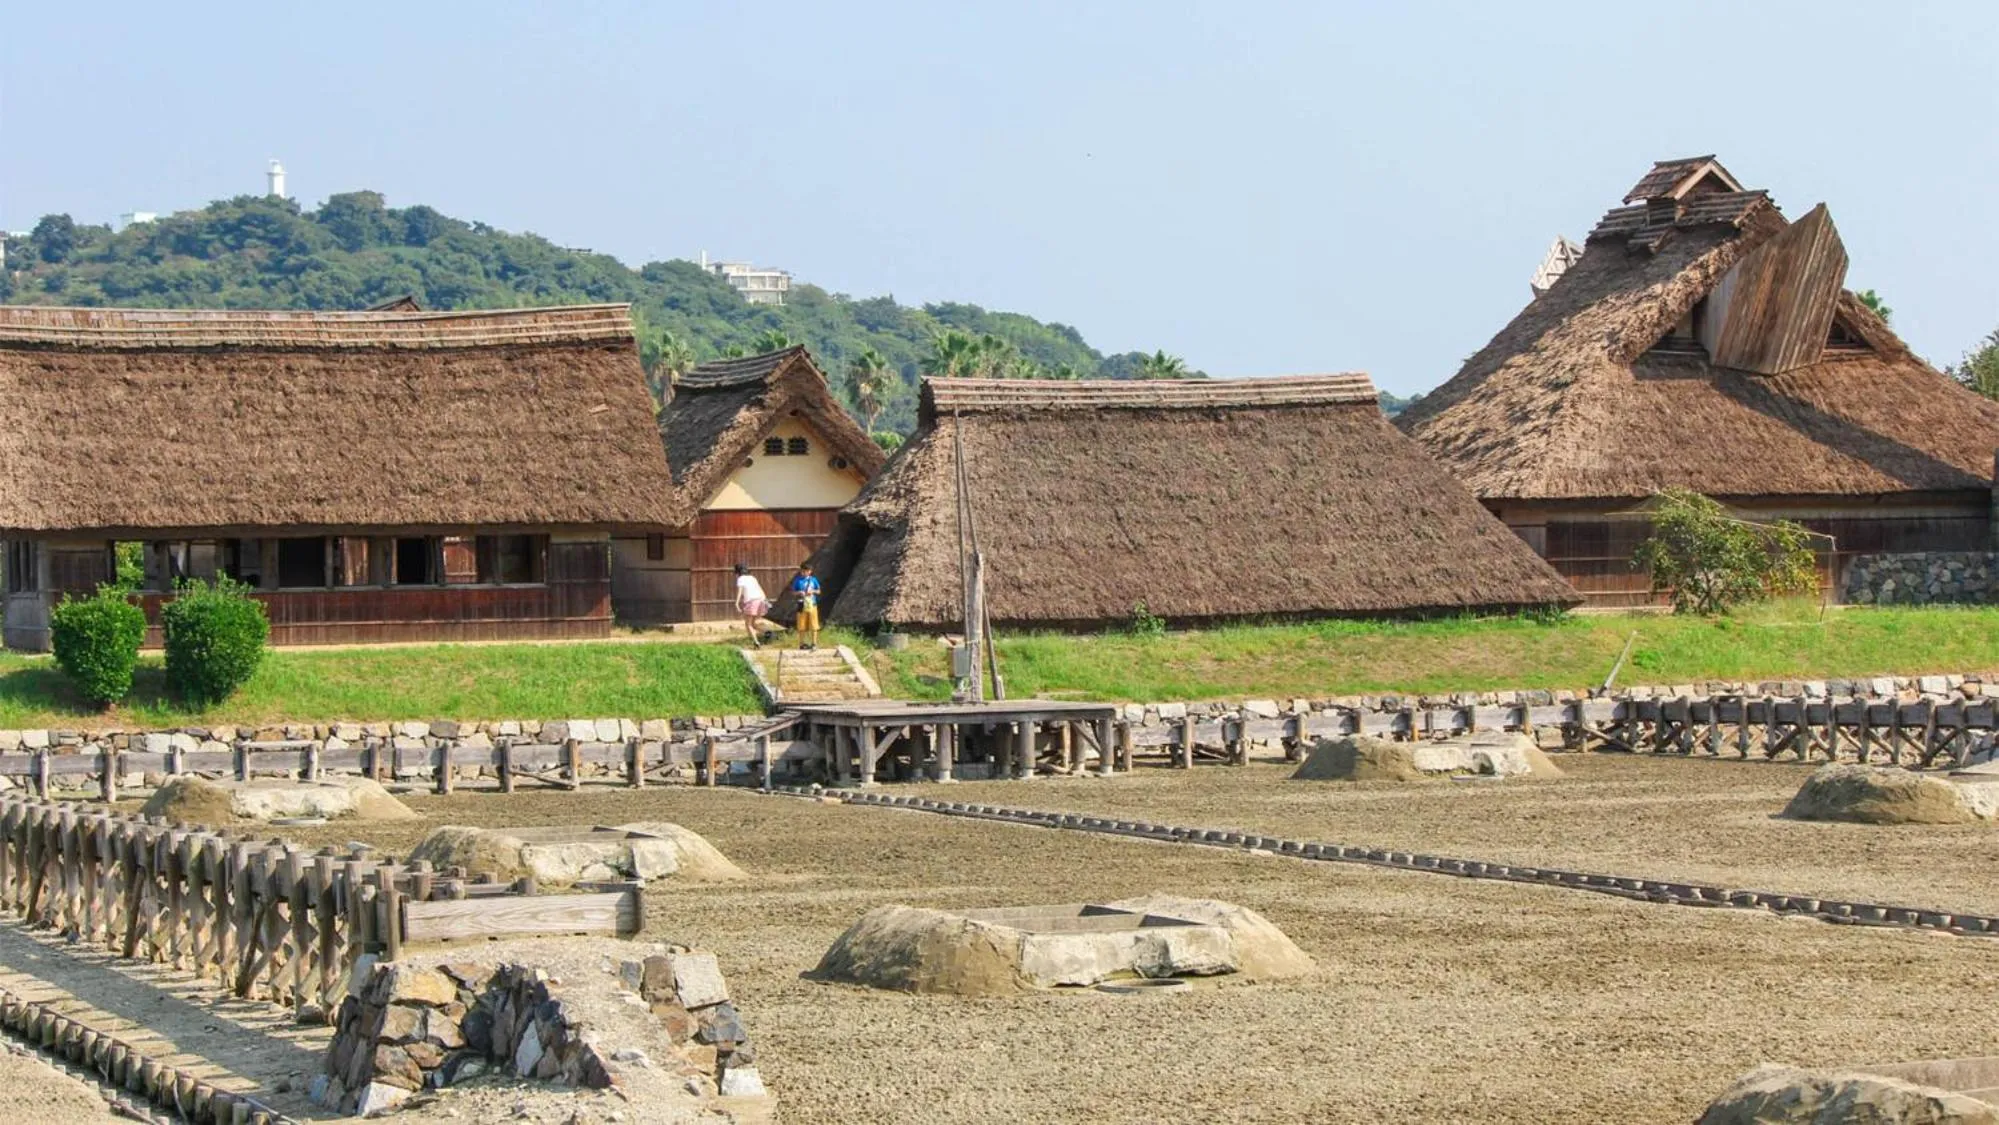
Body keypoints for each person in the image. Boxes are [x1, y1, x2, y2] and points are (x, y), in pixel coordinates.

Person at [733, 563, 770, 647]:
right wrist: (765, 600)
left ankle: (756, 642)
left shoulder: (740, 579)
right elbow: (760, 588)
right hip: (760, 600)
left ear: (738, 572)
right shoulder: (752, 578)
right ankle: (767, 632)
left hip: (751, 601)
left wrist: (736, 603)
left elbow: (740, 591)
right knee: (753, 623)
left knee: (748, 624)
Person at [789, 561, 822, 650]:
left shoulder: (813, 580)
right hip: (801, 604)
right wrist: (799, 592)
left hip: (812, 604)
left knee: (814, 624)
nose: (803, 573)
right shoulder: (798, 580)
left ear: (810, 571)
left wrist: (813, 591)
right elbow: (793, 592)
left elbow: (819, 591)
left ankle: (814, 643)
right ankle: (801, 643)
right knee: (801, 624)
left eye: (806, 571)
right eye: (802, 571)